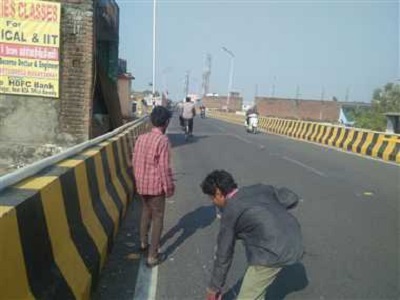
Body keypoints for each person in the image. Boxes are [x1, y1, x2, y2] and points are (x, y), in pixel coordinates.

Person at [201, 170, 304, 300]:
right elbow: (291, 197)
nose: (213, 202)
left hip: (274, 251)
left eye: (212, 198)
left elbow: (224, 254)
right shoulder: (258, 189)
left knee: (247, 297)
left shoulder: (230, 212)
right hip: (295, 236)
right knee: (256, 291)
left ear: (218, 193)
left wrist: (214, 288)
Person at [132, 106, 175, 267]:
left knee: (145, 212)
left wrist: (138, 181)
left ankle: (143, 243)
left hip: (142, 185)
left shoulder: (141, 138)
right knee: (158, 218)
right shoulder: (162, 141)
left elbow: (135, 162)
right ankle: (152, 256)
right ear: (166, 122)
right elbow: (163, 168)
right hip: (156, 187)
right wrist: (169, 188)